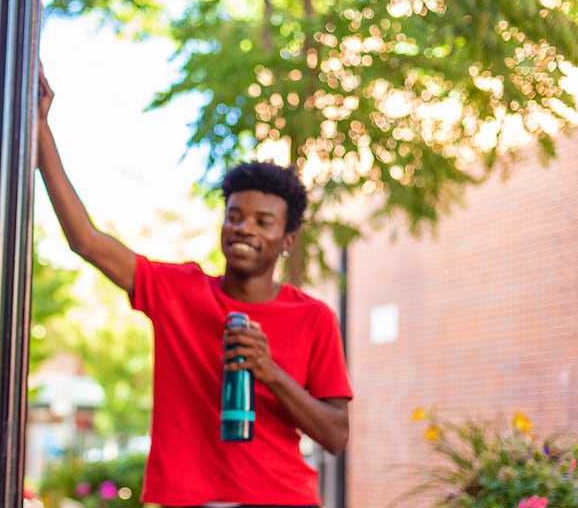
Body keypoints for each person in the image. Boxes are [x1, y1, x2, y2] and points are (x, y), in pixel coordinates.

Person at [35, 67, 352, 507]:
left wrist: (270, 371)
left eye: (263, 222)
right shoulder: (178, 291)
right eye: (235, 215)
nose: (244, 228)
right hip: (188, 498)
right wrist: (40, 129)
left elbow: (336, 434)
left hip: (280, 498)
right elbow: (86, 240)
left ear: (287, 240)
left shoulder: (314, 318)